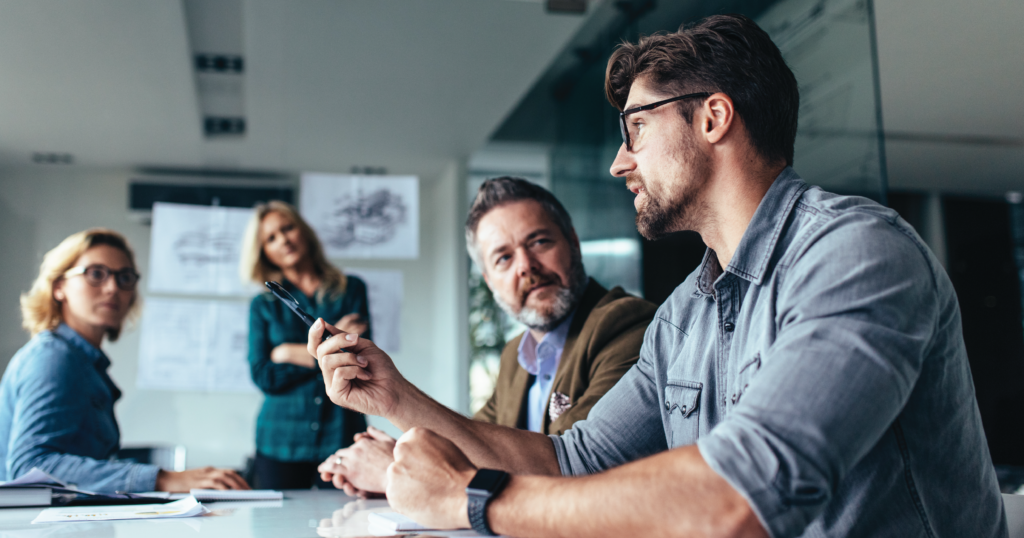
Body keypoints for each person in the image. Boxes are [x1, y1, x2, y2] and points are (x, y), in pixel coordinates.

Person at [307, 14, 1006, 538]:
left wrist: (470, 499)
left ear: (713, 117)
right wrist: (394, 398)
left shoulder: (856, 255)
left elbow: (742, 497)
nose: (619, 163)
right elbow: (572, 460)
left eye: (635, 128)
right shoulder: (685, 315)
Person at [316, 178, 656, 496]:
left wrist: (395, 469)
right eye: (504, 258)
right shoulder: (516, 355)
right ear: (489, 280)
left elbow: (569, 470)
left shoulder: (626, 325)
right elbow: (474, 446)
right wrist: (404, 448)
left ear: (573, 243)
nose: (525, 266)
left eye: (539, 242)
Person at [0, 229, 249, 493]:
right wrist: (162, 479)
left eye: (125, 277)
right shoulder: (53, 358)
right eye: (96, 274)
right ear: (59, 286)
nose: (113, 288)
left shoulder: (84, 364)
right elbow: (30, 467)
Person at [240, 200, 370, 489]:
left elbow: (358, 360)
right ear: (264, 252)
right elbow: (264, 375)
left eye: (288, 228)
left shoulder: (352, 290)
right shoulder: (263, 306)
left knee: (346, 526)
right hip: (280, 440)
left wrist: (286, 353)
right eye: (271, 238)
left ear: (304, 232)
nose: (283, 239)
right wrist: (328, 352)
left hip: (341, 434)